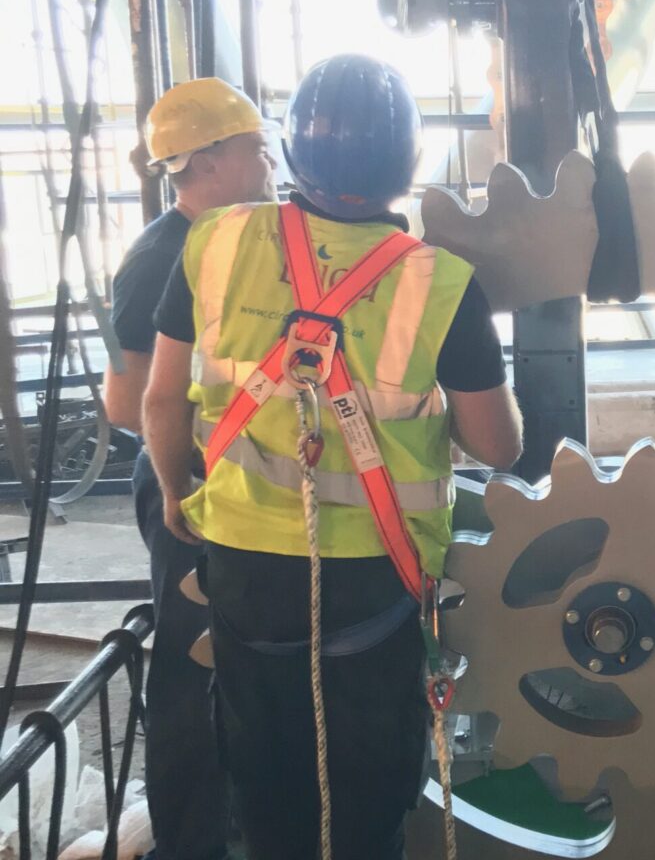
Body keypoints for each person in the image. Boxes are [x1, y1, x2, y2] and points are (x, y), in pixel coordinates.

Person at [143, 54, 522, 860]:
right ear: (408, 166)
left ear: (290, 153)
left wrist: (177, 491)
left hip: (243, 567)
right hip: (372, 579)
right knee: (368, 789)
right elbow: (498, 444)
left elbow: (160, 398)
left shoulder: (213, 245)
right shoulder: (441, 284)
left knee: (263, 778)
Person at [105, 76, 276, 860]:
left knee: (236, 642)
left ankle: (241, 818)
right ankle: (193, 839)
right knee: (189, 656)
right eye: (252, 147)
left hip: (226, 472)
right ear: (207, 161)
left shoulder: (238, 242)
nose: (267, 157)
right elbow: (125, 401)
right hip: (184, 475)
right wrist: (187, 462)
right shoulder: (160, 260)